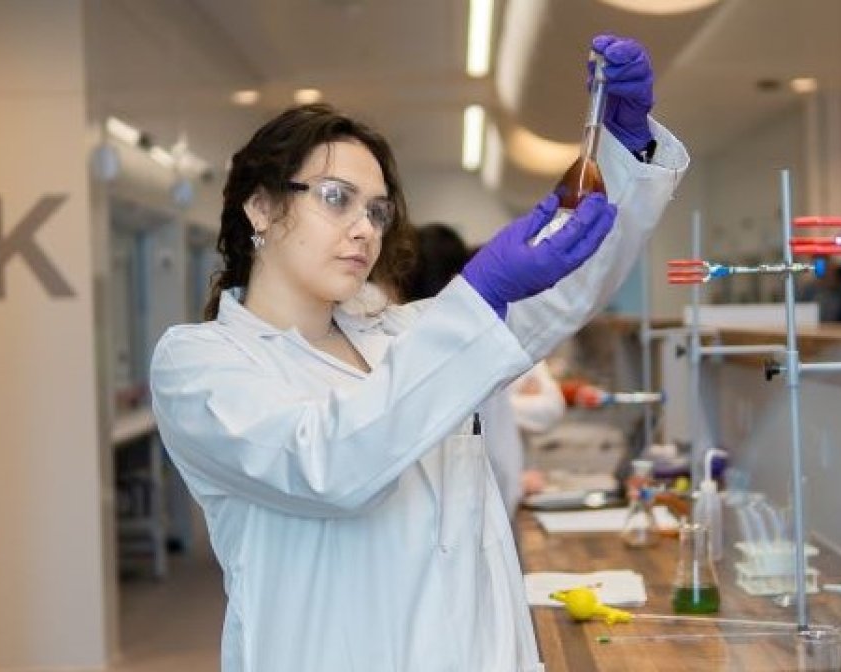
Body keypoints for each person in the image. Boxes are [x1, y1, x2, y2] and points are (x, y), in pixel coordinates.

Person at [149, 33, 688, 672]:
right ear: (260, 207)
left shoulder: (402, 333)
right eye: (334, 198)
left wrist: (623, 151)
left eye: (377, 212)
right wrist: (479, 294)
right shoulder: (202, 364)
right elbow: (328, 464)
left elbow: (567, 287)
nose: (363, 229)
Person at [403, 224, 567, 514]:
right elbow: (501, 460)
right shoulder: (475, 345)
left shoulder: (406, 346)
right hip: (481, 515)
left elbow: (551, 406)